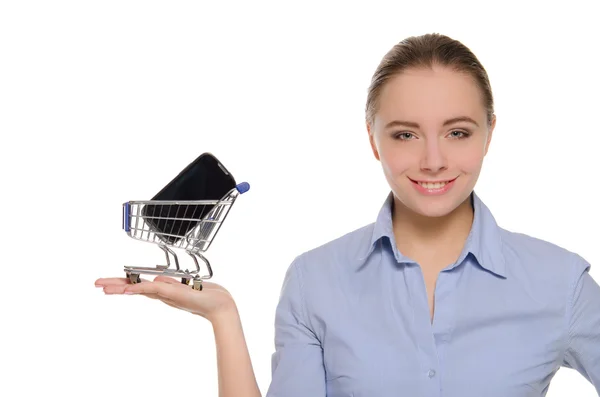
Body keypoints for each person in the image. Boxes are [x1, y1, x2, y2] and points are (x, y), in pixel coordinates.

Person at [95, 33, 600, 396]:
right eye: (405, 133)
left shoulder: (561, 283)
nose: (433, 160)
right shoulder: (315, 280)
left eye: (458, 132)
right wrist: (222, 316)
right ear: (373, 141)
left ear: (490, 132)